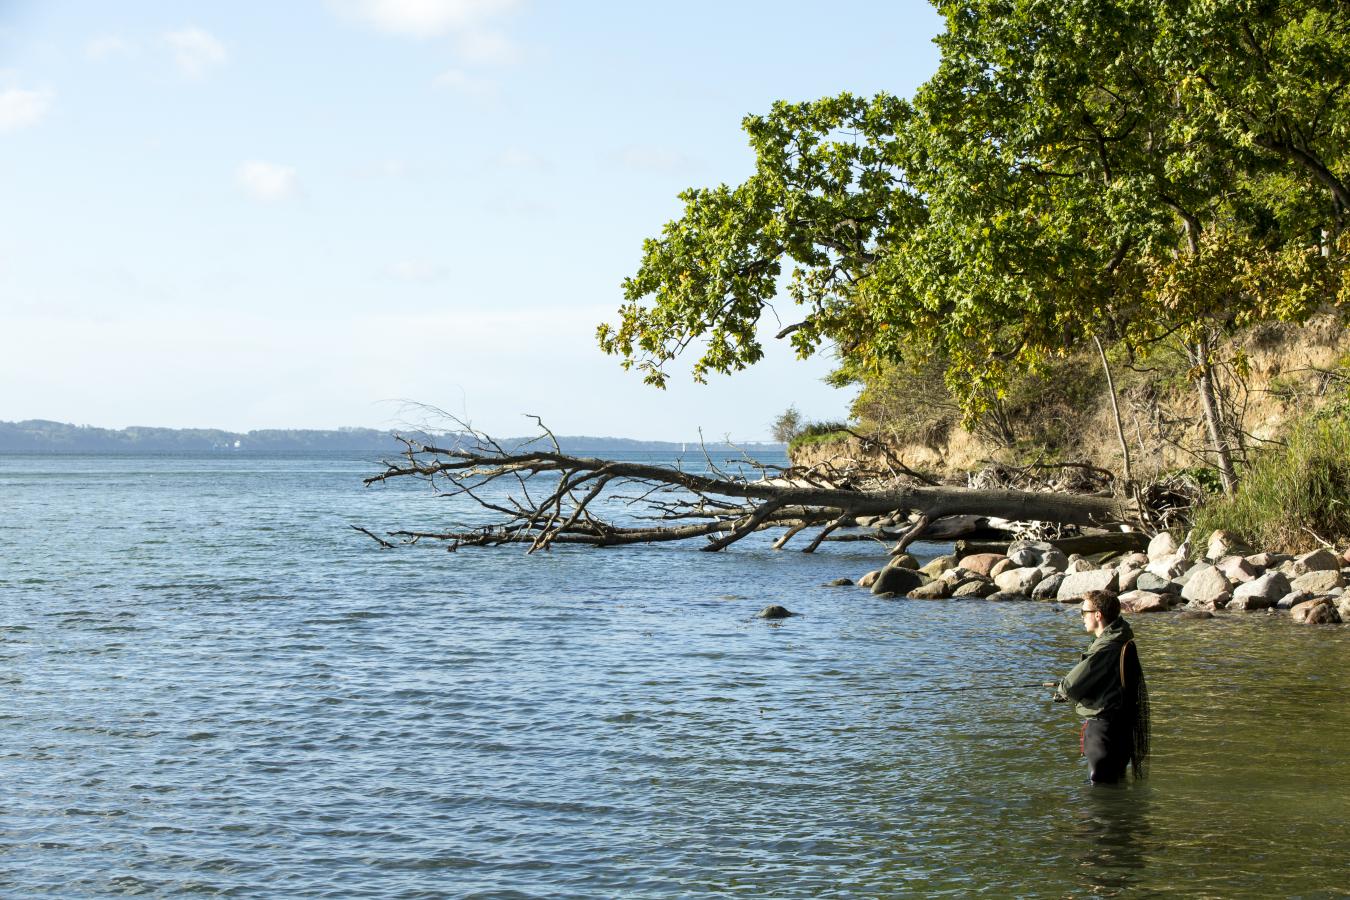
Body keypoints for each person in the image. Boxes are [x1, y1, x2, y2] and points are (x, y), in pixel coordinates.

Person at [1053, 590, 1150, 784]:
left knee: (1099, 788)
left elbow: (1073, 684)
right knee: (1115, 783)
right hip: (1121, 728)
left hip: (1103, 728)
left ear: (1098, 614)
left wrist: (1061, 691)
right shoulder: (1120, 639)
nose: (1082, 617)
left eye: (1084, 612)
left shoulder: (1106, 647)